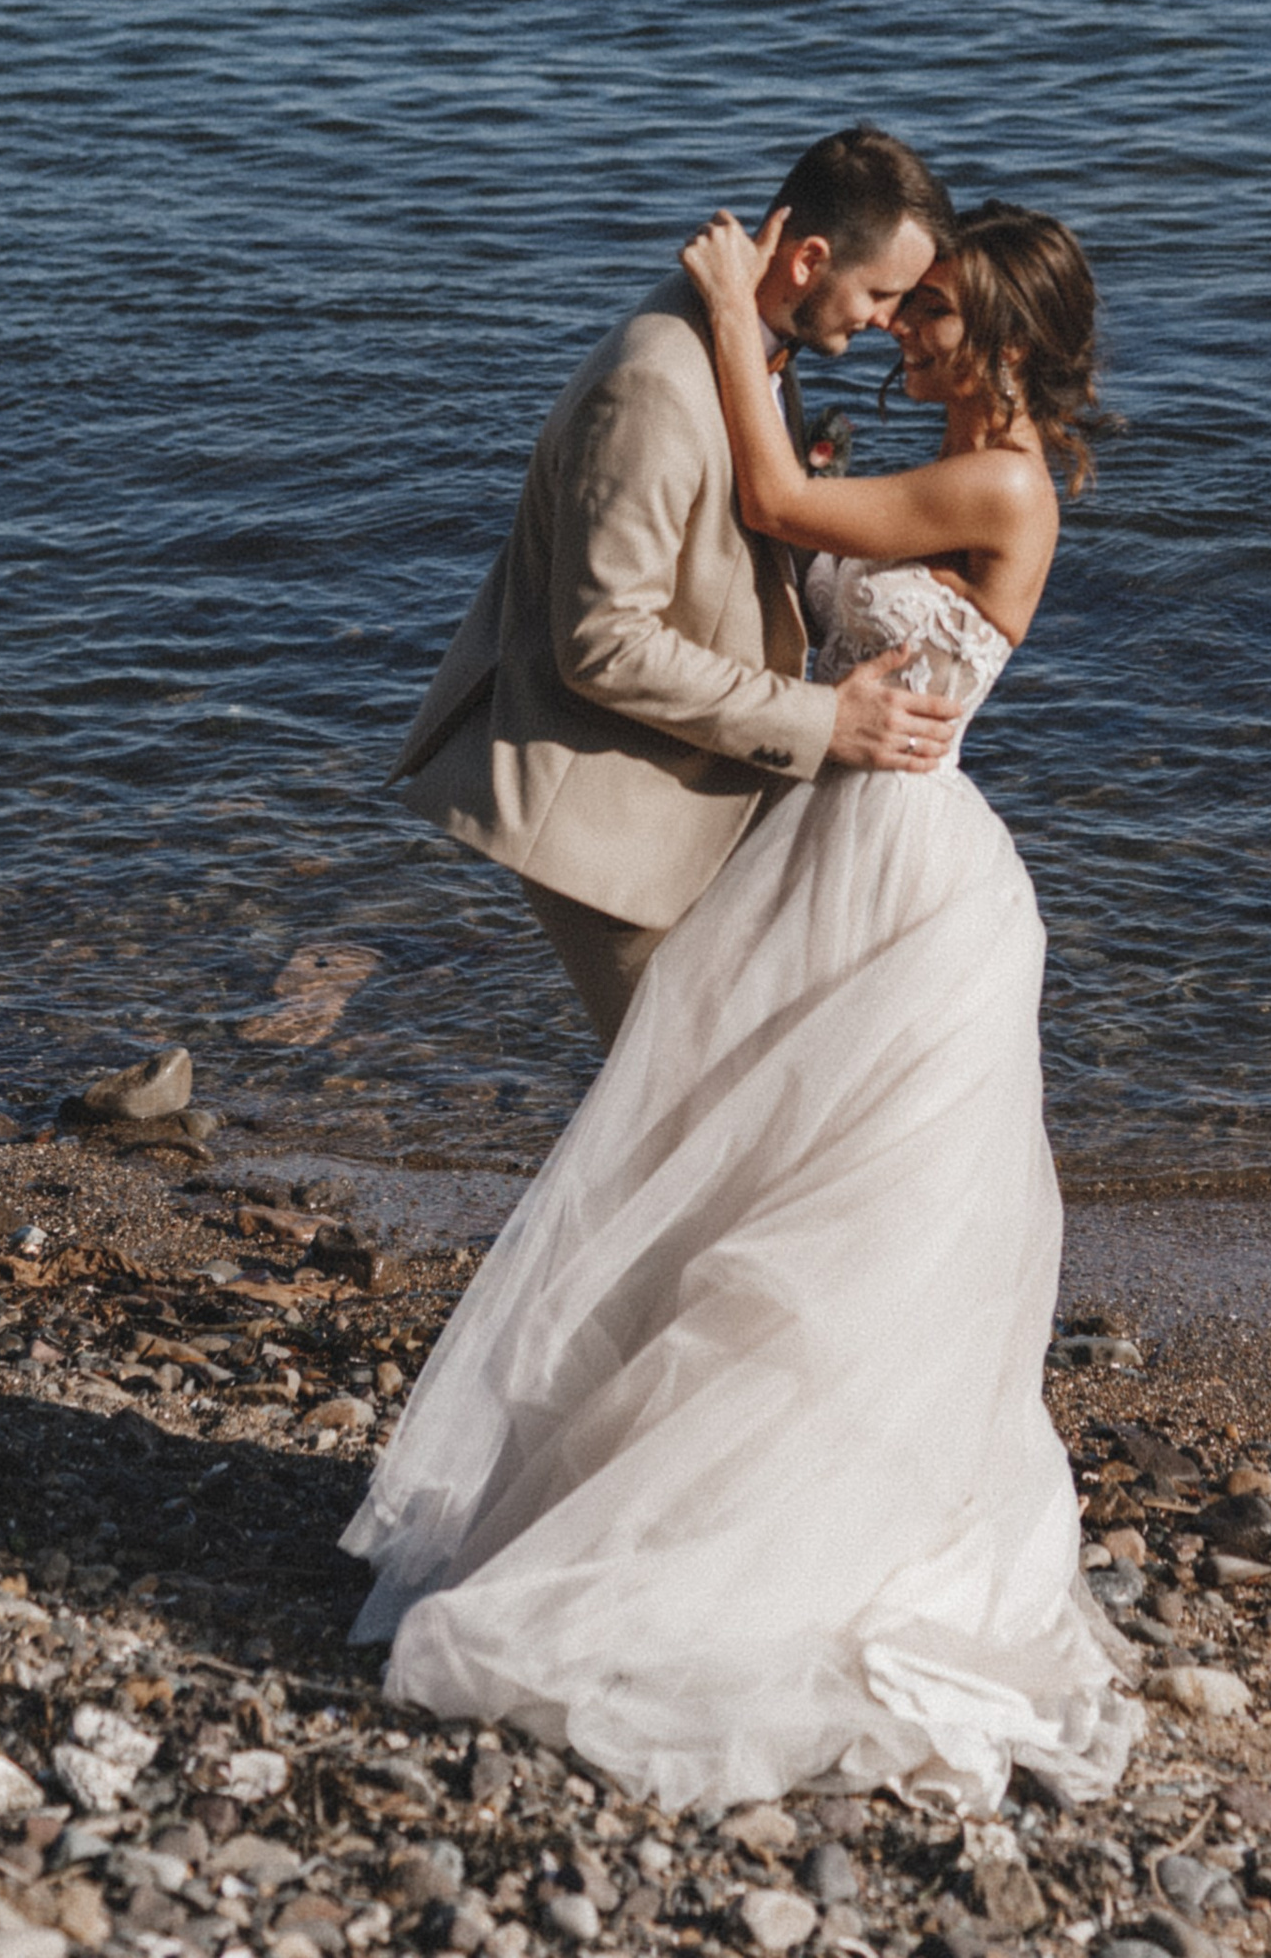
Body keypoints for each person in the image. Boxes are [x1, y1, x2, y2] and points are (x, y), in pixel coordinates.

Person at [343, 193, 1138, 1814]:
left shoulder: (1000, 477)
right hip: (822, 853)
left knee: (847, 1223)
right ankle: (679, 1514)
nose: (907, 329)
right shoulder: (957, 460)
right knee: (754, 1183)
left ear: (993, 338)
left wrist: (725, 310)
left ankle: (799, 1548)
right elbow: (790, 536)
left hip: (912, 880)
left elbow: (776, 494)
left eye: (935, 316)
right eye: (902, 305)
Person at [385, 125, 963, 1045]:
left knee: (737, 1109)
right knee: (686, 1122)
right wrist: (825, 723)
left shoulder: (746, 348)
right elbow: (604, 644)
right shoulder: (656, 382)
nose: (891, 322)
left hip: (689, 791)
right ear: (810, 260)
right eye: (883, 293)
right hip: (611, 828)